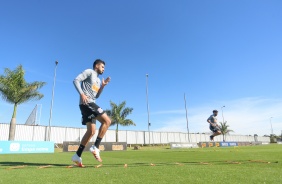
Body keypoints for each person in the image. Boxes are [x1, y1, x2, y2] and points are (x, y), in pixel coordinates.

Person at [71, 59, 111, 167]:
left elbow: (96, 96)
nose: (104, 69)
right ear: (97, 66)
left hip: (89, 104)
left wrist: (102, 86)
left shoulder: (98, 80)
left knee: (91, 131)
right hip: (86, 103)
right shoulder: (89, 72)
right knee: (107, 121)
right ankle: (96, 146)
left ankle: (77, 156)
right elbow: (75, 80)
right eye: (102, 66)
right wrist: (82, 94)